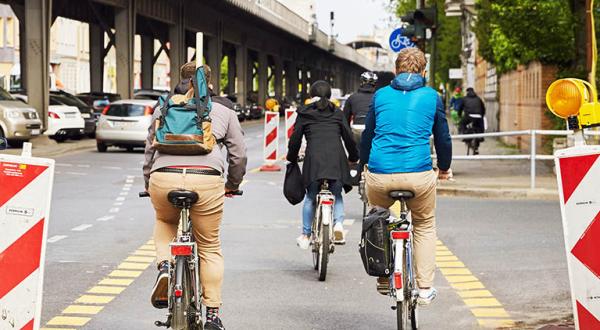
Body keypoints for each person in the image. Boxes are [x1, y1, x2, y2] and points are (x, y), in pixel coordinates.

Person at [143, 62, 247, 330]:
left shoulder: (163, 108)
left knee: (165, 222)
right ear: (209, 83)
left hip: (163, 176)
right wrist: (232, 184)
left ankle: (165, 267)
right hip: (207, 179)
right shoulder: (223, 110)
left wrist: (149, 182)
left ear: (181, 79)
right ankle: (212, 315)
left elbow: (149, 153)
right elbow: (238, 155)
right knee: (209, 246)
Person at [360, 47, 452, 306]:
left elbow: (368, 135)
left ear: (395, 70)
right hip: (418, 175)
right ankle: (424, 289)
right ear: (424, 72)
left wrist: (364, 164)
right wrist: (444, 168)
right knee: (423, 225)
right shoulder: (432, 97)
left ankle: (382, 277)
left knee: (378, 217)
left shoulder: (380, 96)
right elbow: (443, 138)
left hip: (380, 175)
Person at [287, 80, 359, 248]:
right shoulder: (337, 113)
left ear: (311, 96)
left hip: (314, 161)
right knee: (337, 194)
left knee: (311, 197)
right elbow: (349, 137)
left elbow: (295, 139)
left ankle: (305, 235)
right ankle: (338, 224)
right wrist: (353, 157)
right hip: (336, 160)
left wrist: (292, 157)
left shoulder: (304, 113)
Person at [343, 71, 378, 147]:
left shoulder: (352, 98)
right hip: (373, 129)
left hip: (357, 129)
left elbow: (345, 119)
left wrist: (348, 136)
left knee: (358, 153)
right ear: (374, 84)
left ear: (362, 82)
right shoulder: (379, 98)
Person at [458, 87, 486, 154]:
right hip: (478, 116)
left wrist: (459, 115)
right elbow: (483, 108)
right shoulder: (478, 99)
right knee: (480, 126)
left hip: (469, 116)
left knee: (462, 123)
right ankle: (480, 137)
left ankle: (464, 136)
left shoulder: (464, 99)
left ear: (467, 92)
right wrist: (482, 115)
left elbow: (460, 108)